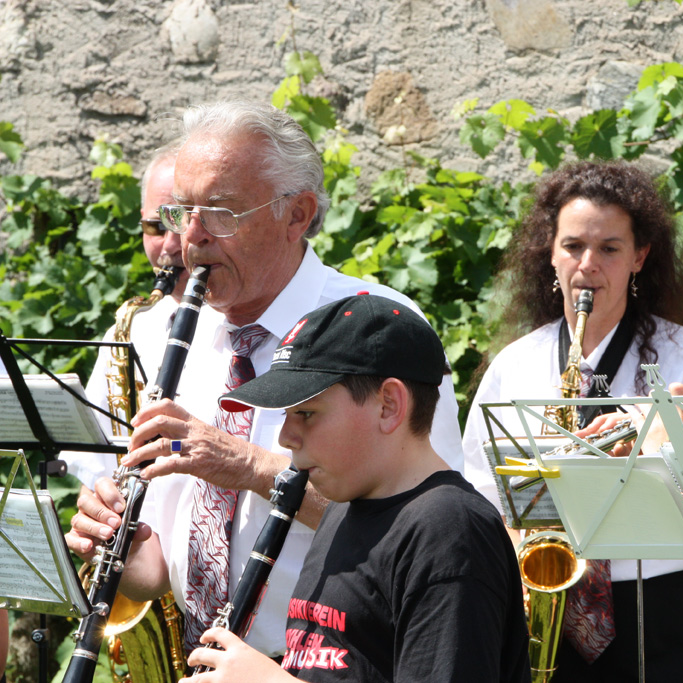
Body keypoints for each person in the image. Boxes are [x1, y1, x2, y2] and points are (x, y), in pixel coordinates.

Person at [67, 101, 464, 660]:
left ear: (297, 214)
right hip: (201, 661)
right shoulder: (156, 334)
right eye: (182, 212)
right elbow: (157, 570)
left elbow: (436, 531)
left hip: (337, 664)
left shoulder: (380, 329)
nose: (190, 239)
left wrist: (248, 466)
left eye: (221, 212)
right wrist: (121, 542)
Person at [462, 160, 683, 682]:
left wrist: (675, 451)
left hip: (661, 615)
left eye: (609, 249)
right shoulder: (515, 366)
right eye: (572, 247)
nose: (587, 265)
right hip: (541, 602)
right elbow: (479, 489)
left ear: (639, 257)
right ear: (550, 253)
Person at [181, 293, 530, 682]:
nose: (285, 437)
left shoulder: (449, 531)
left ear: (389, 405)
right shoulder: (344, 508)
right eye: (286, 415)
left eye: (306, 413)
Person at [63, 143, 203, 488]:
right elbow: (96, 470)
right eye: (155, 226)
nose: (170, 247)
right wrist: (97, 503)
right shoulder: (131, 327)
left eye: (183, 224)